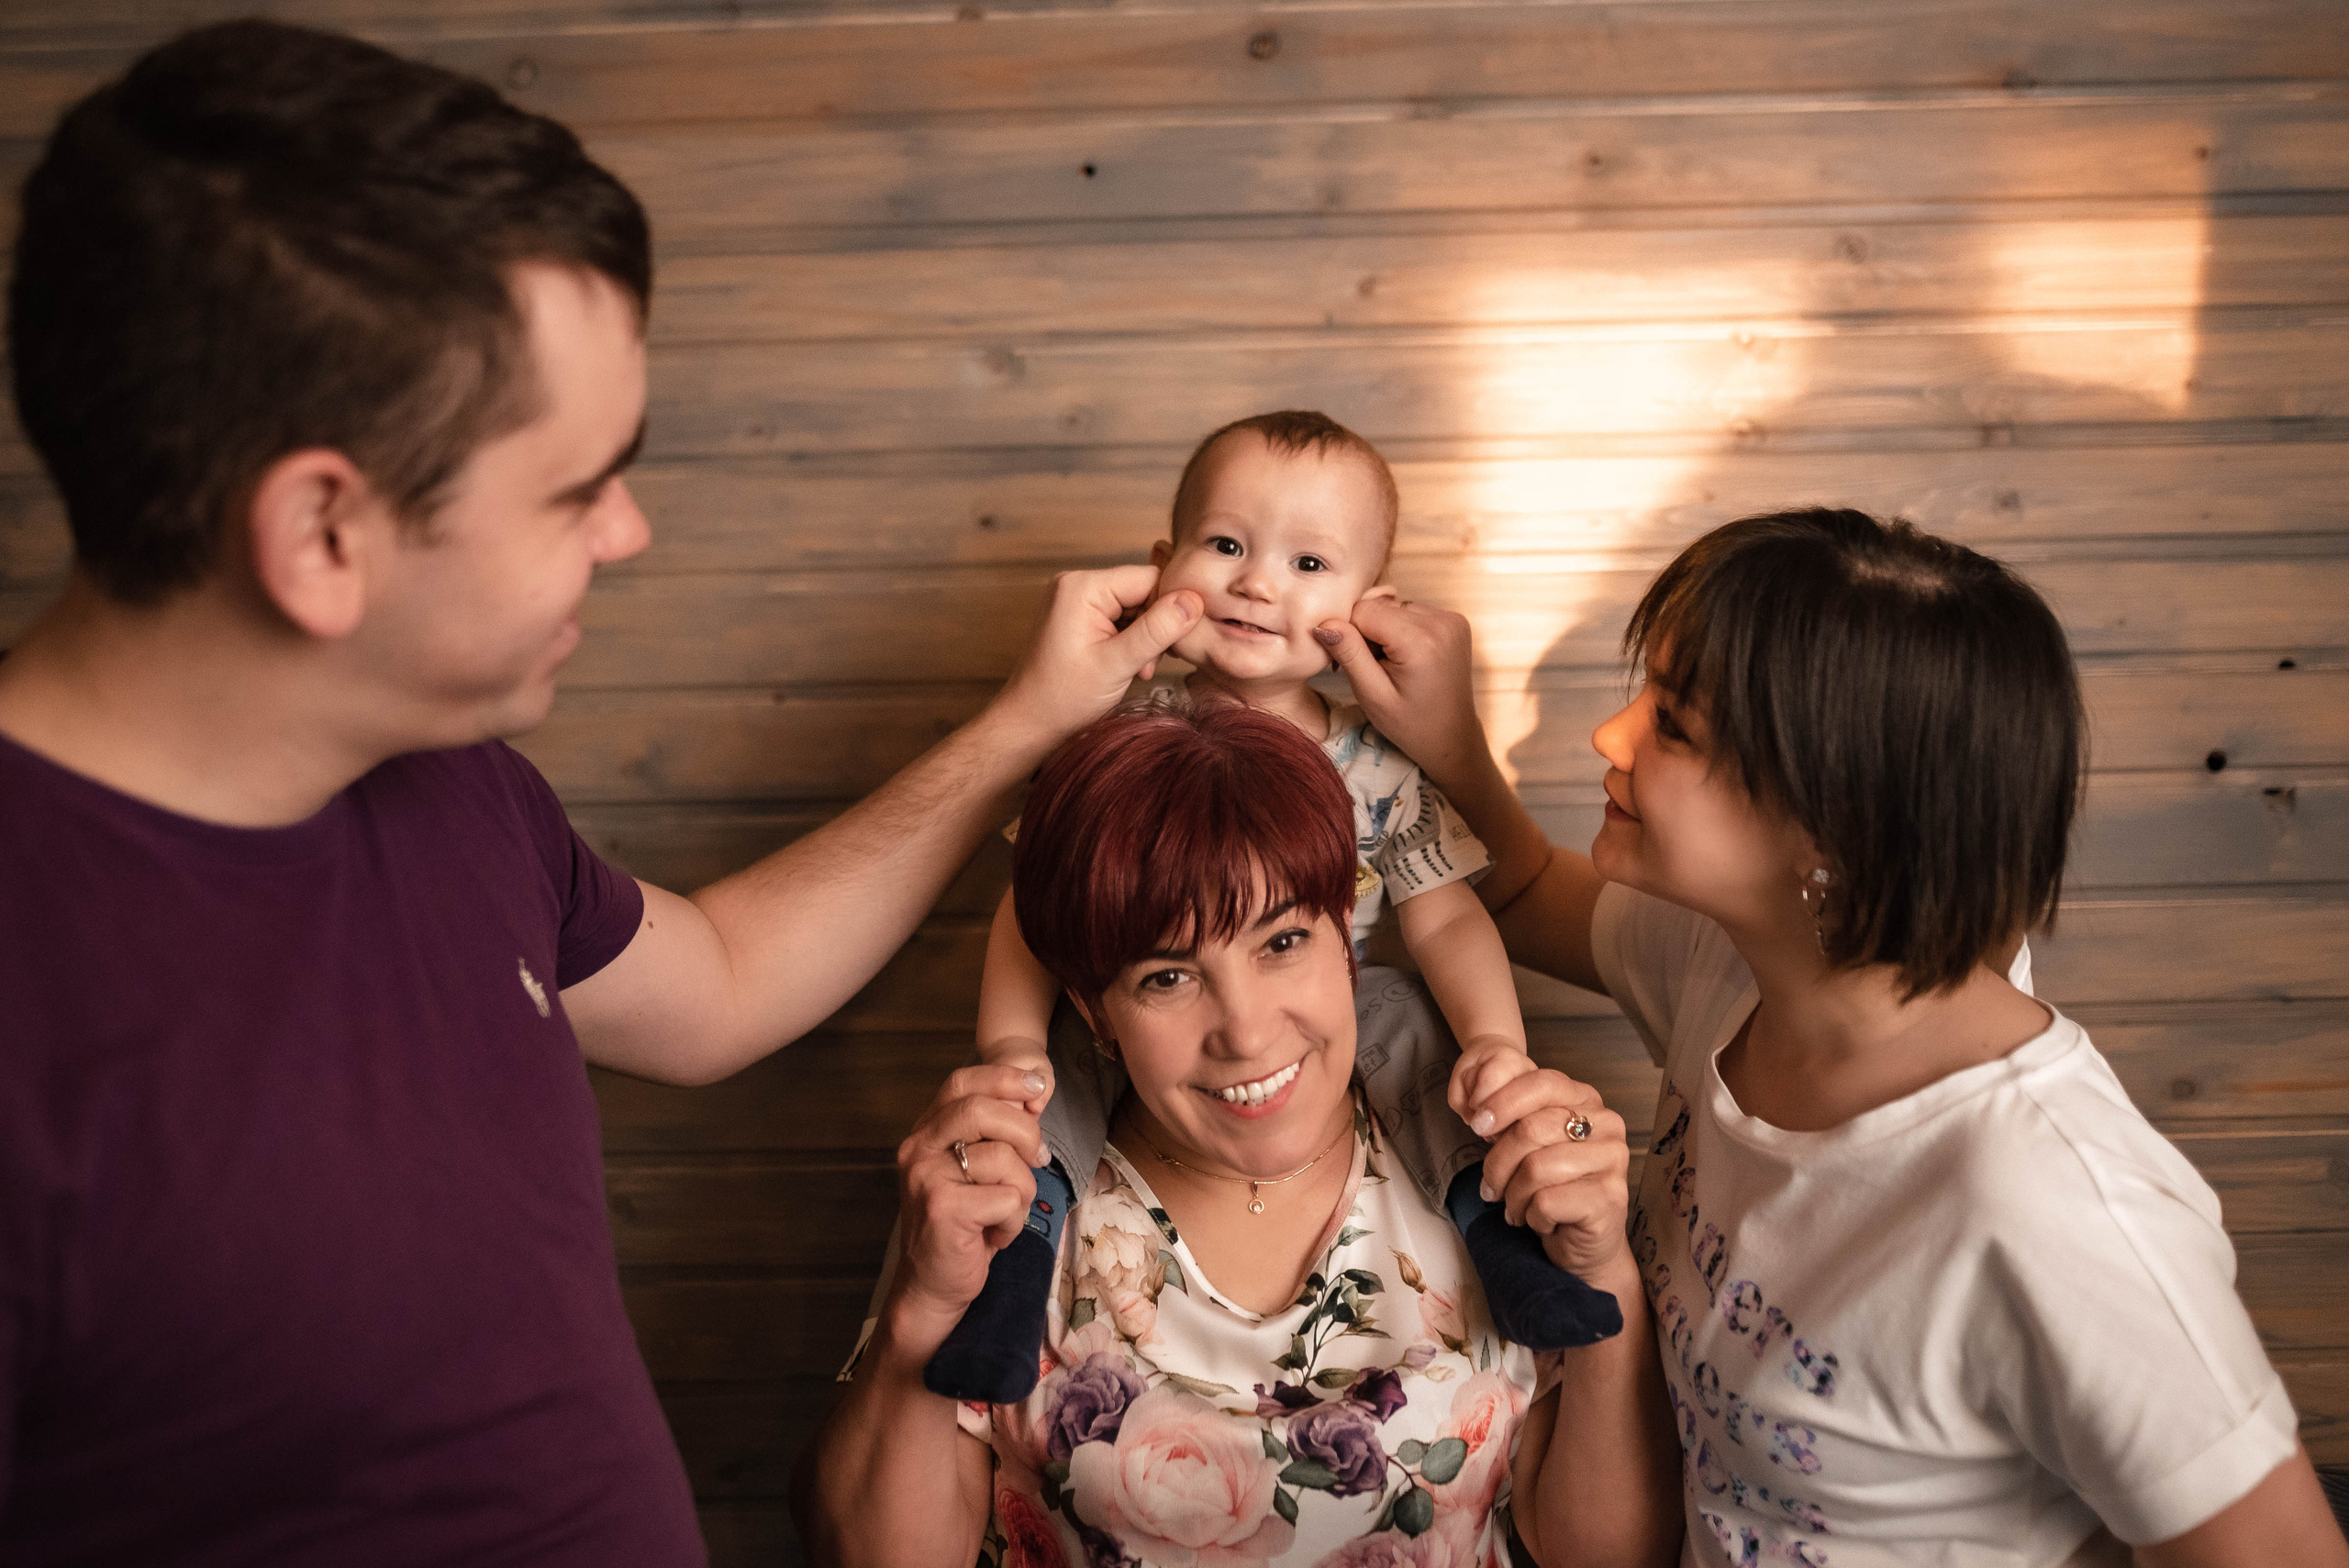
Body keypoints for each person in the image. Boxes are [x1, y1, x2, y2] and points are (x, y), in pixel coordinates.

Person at [0, 20, 1201, 1563]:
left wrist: (1026, 724)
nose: (626, 533)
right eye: (575, 488)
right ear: (320, 534)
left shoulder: (450, 786)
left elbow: (717, 982)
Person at [1311, 508, 2349, 1566]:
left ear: (1834, 829)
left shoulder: (2059, 1208)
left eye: (1671, 722)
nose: (1608, 736)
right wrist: (1447, 743)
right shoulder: (1738, 960)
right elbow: (1526, 887)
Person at [798, 697, 1681, 1568]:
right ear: (1092, 1010)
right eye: (1169, 976)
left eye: (1284, 941)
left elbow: (1606, 1555)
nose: (1248, 1031)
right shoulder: (1014, 1188)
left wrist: (1605, 1270)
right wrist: (922, 1306)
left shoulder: (1486, 1166)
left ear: (1347, 939)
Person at [932, 412, 1617, 1407]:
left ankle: (1495, 1233)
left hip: (1348, 998)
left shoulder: (1375, 765)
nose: (1257, 582)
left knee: (1423, 1050)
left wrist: (1493, 1042)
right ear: (1163, 564)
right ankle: (1016, 1267)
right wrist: (1008, 1044)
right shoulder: (1109, 744)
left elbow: (1444, 914)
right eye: (1225, 546)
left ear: (1366, 607)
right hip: (1138, 1006)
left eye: (1307, 562)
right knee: (1051, 1094)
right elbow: (1028, 911)